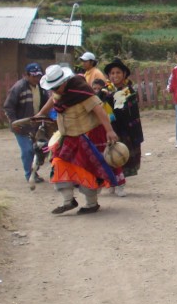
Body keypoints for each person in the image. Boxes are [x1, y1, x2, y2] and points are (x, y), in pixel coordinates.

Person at [37, 64, 122, 215]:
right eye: (52, 88)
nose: (54, 90)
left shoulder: (82, 92)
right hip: (67, 138)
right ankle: (68, 201)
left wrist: (109, 130)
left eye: (56, 87)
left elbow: (99, 110)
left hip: (85, 137)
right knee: (59, 164)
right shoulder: (59, 93)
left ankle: (91, 204)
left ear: (64, 82)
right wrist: (41, 114)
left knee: (86, 171)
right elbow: (53, 99)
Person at [4, 63, 49, 183]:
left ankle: (35, 169)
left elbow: (46, 104)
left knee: (44, 147)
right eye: (34, 76)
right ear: (26, 75)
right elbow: (8, 107)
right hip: (21, 126)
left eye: (38, 76)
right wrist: (14, 123)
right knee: (27, 150)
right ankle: (30, 174)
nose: (36, 79)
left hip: (37, 125)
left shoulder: (42, 88)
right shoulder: (18, 88)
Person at [104, 59, 145, 190]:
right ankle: (112, 182)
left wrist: (109, 98)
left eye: (118, 73)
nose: (115, 76)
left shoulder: (129, 91)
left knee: (120, 154)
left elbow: (120, 107)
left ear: (124, 75)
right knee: (109, 154)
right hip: (109, 128)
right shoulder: (105, 90)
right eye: (112, 73)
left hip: (126, 129)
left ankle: (120, 184)